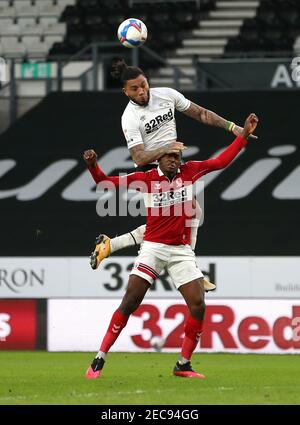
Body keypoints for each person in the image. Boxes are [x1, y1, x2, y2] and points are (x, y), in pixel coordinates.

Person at [83, 113, 259, 379]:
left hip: (180, 251)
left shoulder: (190, 171)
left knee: (198, 304)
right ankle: (99, 358)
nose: (175, 159)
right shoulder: (145, 179)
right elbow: (104, 183)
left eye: (177, 155)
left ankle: (183, 365)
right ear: (159, 159)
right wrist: (93, 166)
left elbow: (220, 161)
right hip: (153, 247)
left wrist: (243, 136)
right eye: (169, 155)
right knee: (130, 301)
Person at [87, 59, 257, 284]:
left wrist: (232, 127)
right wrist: (166, 147)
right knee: (177, 219)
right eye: (135, 88)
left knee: (185, 216)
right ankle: (189, 265)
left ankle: (111, 245)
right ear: (125, 91)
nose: (142, 91)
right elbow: (138, 156)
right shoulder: (129, 117)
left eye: (144, 85)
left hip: (173, 162)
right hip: (151, 169)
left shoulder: (166, 94)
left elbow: (202, 114)